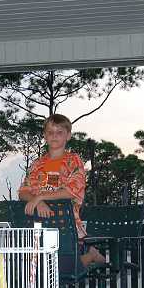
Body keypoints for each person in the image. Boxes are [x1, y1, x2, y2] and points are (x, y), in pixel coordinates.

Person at [18, 113, 106, 266]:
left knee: (61, 268)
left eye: (59, 132)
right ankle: (87, 256)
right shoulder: (37, 164)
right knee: (37, 268)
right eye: (50, 132)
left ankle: (91, 255)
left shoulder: (73, 161)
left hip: (66, 225)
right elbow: (23, 191)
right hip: (38, 226)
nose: (54, 136)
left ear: (68, 136)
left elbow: (70, 191)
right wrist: (36, 201)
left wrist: (40, 197)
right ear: (45, 136)